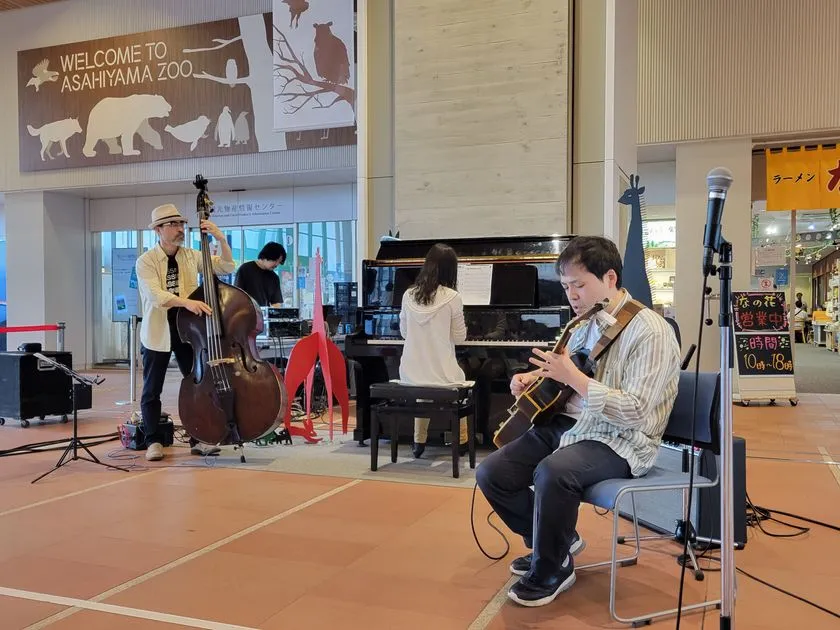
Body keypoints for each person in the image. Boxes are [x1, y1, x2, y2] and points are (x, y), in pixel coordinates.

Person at [476, 235, 681, 608]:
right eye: (566, 286)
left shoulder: (650, 330)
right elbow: (564, 379)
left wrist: (574, 378)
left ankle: (552, 568)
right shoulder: (584, 324)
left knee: (554, 473)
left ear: (611, 279)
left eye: (580, 285)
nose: (572, 295)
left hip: (622, 438)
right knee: (492, 473)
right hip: (571, 426)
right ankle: (553, 542)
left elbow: (636, 411)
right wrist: (531, 383)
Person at [135, 203, 236, 461]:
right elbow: (155, 295)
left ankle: (199, 437)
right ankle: (153, 441)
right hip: (158, 330)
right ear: (158, 230)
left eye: (181, 224)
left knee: (196, 384)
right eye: (173, 224)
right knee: (151, 388)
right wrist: (187, 302)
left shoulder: (191, 255)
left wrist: (220, 237)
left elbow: (226, 267)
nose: (180, 229)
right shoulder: (145, 261)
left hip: (188, 330)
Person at [398, 243, 469, 458]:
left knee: (424, 386)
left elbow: (403, 332)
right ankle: (463, 440)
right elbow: (460, 337)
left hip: (410, 373)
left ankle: (419, 442)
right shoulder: (453, 297)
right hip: (442, 375)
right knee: (461, 381)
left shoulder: (408, 295)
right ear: (451, 270)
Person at [234, 242, 287, 307]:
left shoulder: (274, 277)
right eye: (275, 260)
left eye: (279, 262)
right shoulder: (245, 269)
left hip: (264, 315)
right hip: (246, 313)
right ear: (267, 256)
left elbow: (276, 302)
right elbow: (237, 295)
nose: (277, 264)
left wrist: (276, 315)